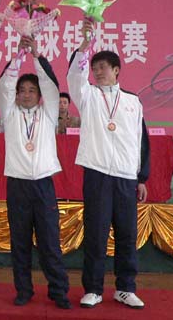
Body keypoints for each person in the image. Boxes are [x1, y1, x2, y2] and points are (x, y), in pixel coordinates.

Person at [67, 20, 150, 309]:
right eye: (95, 68)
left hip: (126, 176)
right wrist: (85, 43)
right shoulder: (88, 95)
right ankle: (93, 289)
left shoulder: (133, 102)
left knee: (127, 235)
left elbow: (141, 140)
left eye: (103, 67)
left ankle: (125, 288)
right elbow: (74, 76)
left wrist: (142, 177)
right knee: (96, 233)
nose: (98, 72)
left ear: (116, 71)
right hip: (98, 174)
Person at [0, 36, 71, 309]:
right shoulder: (9, 114)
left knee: (50, 242)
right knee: (20, 243)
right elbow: (3, 86)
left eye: (31, 90)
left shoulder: (49, 113)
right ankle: (24, 291)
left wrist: (36, 56)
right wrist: (18, 57)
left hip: (43, 185)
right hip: (17, 185)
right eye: (22, 90)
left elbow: (51, 85)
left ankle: (59, 291)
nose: (26, 94)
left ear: (39, 96)